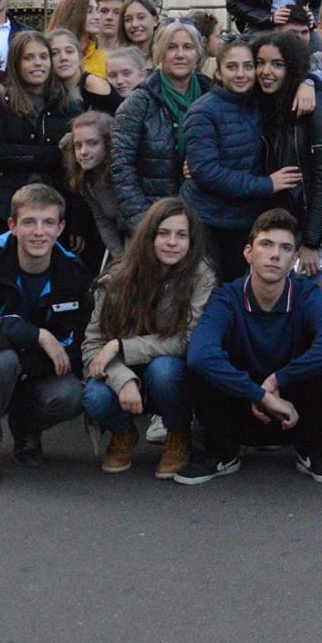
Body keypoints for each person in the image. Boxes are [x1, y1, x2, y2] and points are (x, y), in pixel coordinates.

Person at [180, 208, 322, 484]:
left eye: (285, 248)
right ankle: (221, 452)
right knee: (198, 365)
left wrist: (277, 380)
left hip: (292, 415)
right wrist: (260, 395)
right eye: (266, 244)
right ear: (248, 252)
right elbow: (200, 354)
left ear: (295, 258)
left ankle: (312, 449)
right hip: (241, 410)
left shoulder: (306, 294)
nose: (275, 254)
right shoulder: (227, 297)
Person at [0, 185, 92, 489]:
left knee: (72, 395)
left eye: (48, 223)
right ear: (12, 225)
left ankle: (26, 429)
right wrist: (37, 336)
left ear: (61, 227)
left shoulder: (73, 271)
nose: (39, 232)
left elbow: (79, 343)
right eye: (29, 222)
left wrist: (29, 360)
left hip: (36, 370)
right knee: (0, 362)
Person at [82, 197, 218, 480]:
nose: (172, 242)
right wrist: (123, 379)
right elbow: (91, 347)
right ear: (148, 236)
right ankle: (123, 433)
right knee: (94, 395)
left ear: (192, 241)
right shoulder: (118, 276)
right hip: (124, 369)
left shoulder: (201, 275)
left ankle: (179, 434)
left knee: (164, 370)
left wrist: (120, 346)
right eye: (163, 233)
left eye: (181, 235)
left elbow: (188, 341)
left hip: (169, 368)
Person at [184, 37, 294, 280]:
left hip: (247, 220)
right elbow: (206, 172)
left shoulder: (260, 101)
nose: (241, 73)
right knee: (209, 289)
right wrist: (267, 184)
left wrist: (309, 83)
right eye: (232, 67)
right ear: (219, 73)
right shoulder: (203, 111)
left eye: (247, 66)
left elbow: (293, 76)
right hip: (209, 220)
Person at [254, 29, 322, 308]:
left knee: (319, 319)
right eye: (260, 62)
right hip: (283, 232)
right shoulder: (262, 105)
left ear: (291, 67)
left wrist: (312, 242)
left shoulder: (312, 108)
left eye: (277, 64)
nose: (265, 71)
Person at [0, 32, 77, 239]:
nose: (37, 64)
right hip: (4, 206)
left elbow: (73, 160)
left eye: (43, 57)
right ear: (16, 63)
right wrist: (52, 154)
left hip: (54, 203)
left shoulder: (66, 102)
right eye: (29, 58)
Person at [111, 21, 207, 235]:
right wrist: (145, 224)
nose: (180, 54)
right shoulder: (138, 103)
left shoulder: (212, 95)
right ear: (159, 53)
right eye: (171, 47)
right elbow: (121, 168)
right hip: (152, 221)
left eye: (188, 47)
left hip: (204, 218)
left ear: (198, 54)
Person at [62, 110, 128, 261]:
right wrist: (121, 259)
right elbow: (104, 223)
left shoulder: (126, 171)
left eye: (92, 143)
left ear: (108, 143)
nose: (83, 152)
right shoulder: (86, 180)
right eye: (78, 145)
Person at [48, 27, 115, 115]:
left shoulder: (94, 86)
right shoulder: (49, 90)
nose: (63, 57)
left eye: (69, 51)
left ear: (80, 57)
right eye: (54, 53)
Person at [46, 0, 103, 79]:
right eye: (89, 11)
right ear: (73, 14)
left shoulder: (102, 57)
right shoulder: (46, 52)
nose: (98, 17)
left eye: (97, 11)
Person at [87, 0, 128, 73]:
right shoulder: (83, 52)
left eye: (117, 12)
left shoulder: (132, 54)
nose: (109, 17)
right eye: (104, 11)